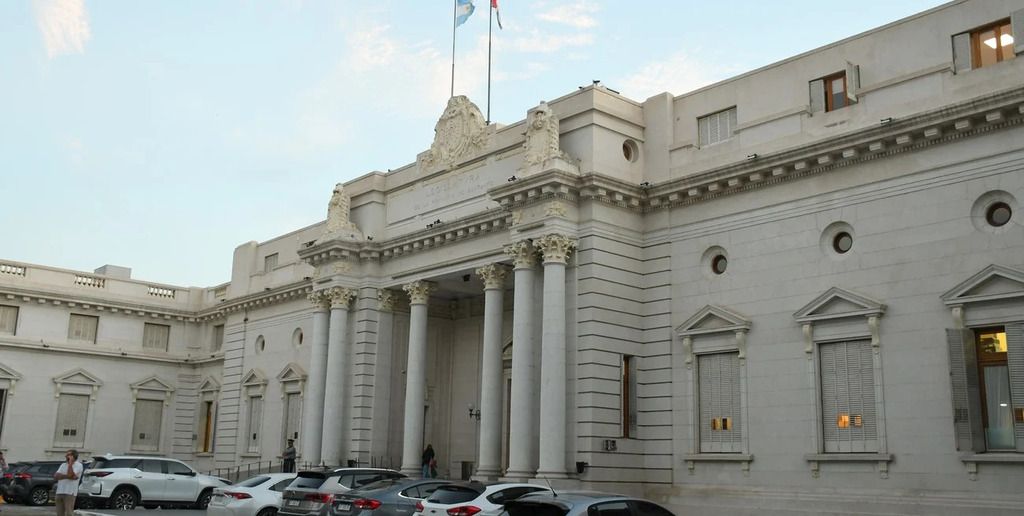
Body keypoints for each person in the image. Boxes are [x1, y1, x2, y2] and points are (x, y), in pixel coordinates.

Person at [53, 449, 83, 516]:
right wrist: (68, 476)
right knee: (59, 513)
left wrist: (70, 464)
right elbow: (55, 476)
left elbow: (71, 474)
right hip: (60, 491)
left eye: (68, 455)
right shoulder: (63, 465)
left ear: (73, 456)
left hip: (70, 492)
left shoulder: (79, 465)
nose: (66, 456)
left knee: (69, 513)